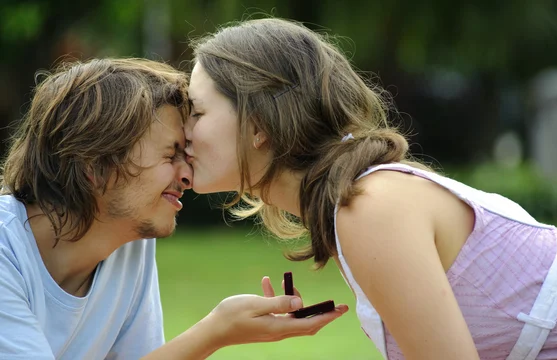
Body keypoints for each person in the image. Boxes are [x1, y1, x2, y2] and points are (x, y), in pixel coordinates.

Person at [184, 17, 557, 360]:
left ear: (257, 124)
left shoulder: (369, 208)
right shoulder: (359, 205)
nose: (183, 133)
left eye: (197, 112)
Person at [0, 57, 348, 360]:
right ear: (95, 166)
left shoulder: (130, 241)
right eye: (170, 155)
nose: (188, 176)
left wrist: (222, 330)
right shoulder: (6, 251)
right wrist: (215, 331)